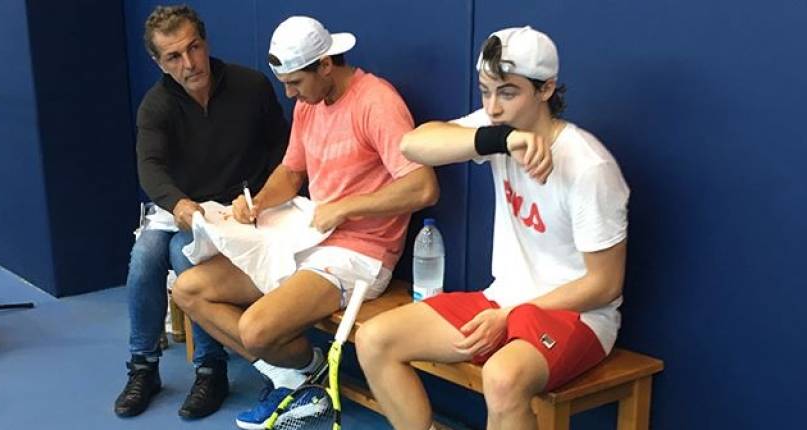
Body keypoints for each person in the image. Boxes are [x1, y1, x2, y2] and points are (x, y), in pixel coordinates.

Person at [172, 15, 439, 429]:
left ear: (326, 65)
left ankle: (303, 379)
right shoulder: (308, 105)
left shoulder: (377, 102)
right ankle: (301, 376)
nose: (289, 93)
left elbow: (424, 187)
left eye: (296, 82)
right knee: (189, 288)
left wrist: (349, 207)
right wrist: (257, 203)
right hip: (311, 235)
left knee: (256, 331)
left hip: (362, 253)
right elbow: (292, 172)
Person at [356, 26, 630, 430]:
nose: (493, 106)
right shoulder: (500, 130)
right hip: (502, 299)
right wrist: (499, 141)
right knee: (374, 339)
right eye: (485, 90)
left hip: (579, 315)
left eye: (507, 92)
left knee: (501, 379)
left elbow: (604, 285)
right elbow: (412, 144)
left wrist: (512, 314)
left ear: (546, 89)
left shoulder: (590, 167)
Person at [114, 4, 289, 420]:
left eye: (194, 47)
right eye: (174, 56)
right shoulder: (156, 107)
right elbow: (150, 168)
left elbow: (283, 149)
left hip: (243, 208)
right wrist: (178, 204)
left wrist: (262, 197)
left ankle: (211, 370)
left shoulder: (251, 86)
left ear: (205, 42)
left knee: (183, 256)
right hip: (184, 209)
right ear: (158, 62)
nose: (190, 63)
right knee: (145, 257)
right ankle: (143, 367)